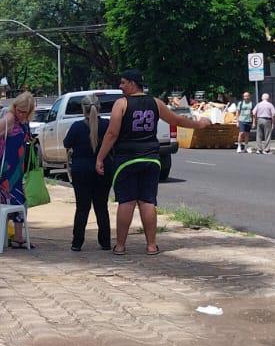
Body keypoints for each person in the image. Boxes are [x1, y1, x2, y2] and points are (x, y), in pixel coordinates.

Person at [97, 70, 210, 256]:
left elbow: (112, 134)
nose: (121, 86)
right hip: (151, 157)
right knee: (147, 201)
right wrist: (199, 124)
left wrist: (100, 157)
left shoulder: (121, 104)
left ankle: (120, 246)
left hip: (126, 159)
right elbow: (176, 119)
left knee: (126, 201)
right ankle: (151, 245)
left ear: (133, 84)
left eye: (123, 83)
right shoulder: (155, 103)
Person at [0, 92, 37, 249]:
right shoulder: (9, 118)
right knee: (6, 199)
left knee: (17, 199)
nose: (22, 114)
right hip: (6, 166)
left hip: (16, 166)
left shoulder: (22, 120)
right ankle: (1, 236)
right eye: (20, 110)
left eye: (25, 112)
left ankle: (17, 236)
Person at [63, 94, 111, 252]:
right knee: (101, 206)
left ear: (82, 109)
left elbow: (66, 143)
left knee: (82, 208)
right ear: (99, 108)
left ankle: (77, 242)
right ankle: (105, 242)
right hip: (103, 169)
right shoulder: (107, 125)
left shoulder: (77, 126)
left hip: (81, 170)